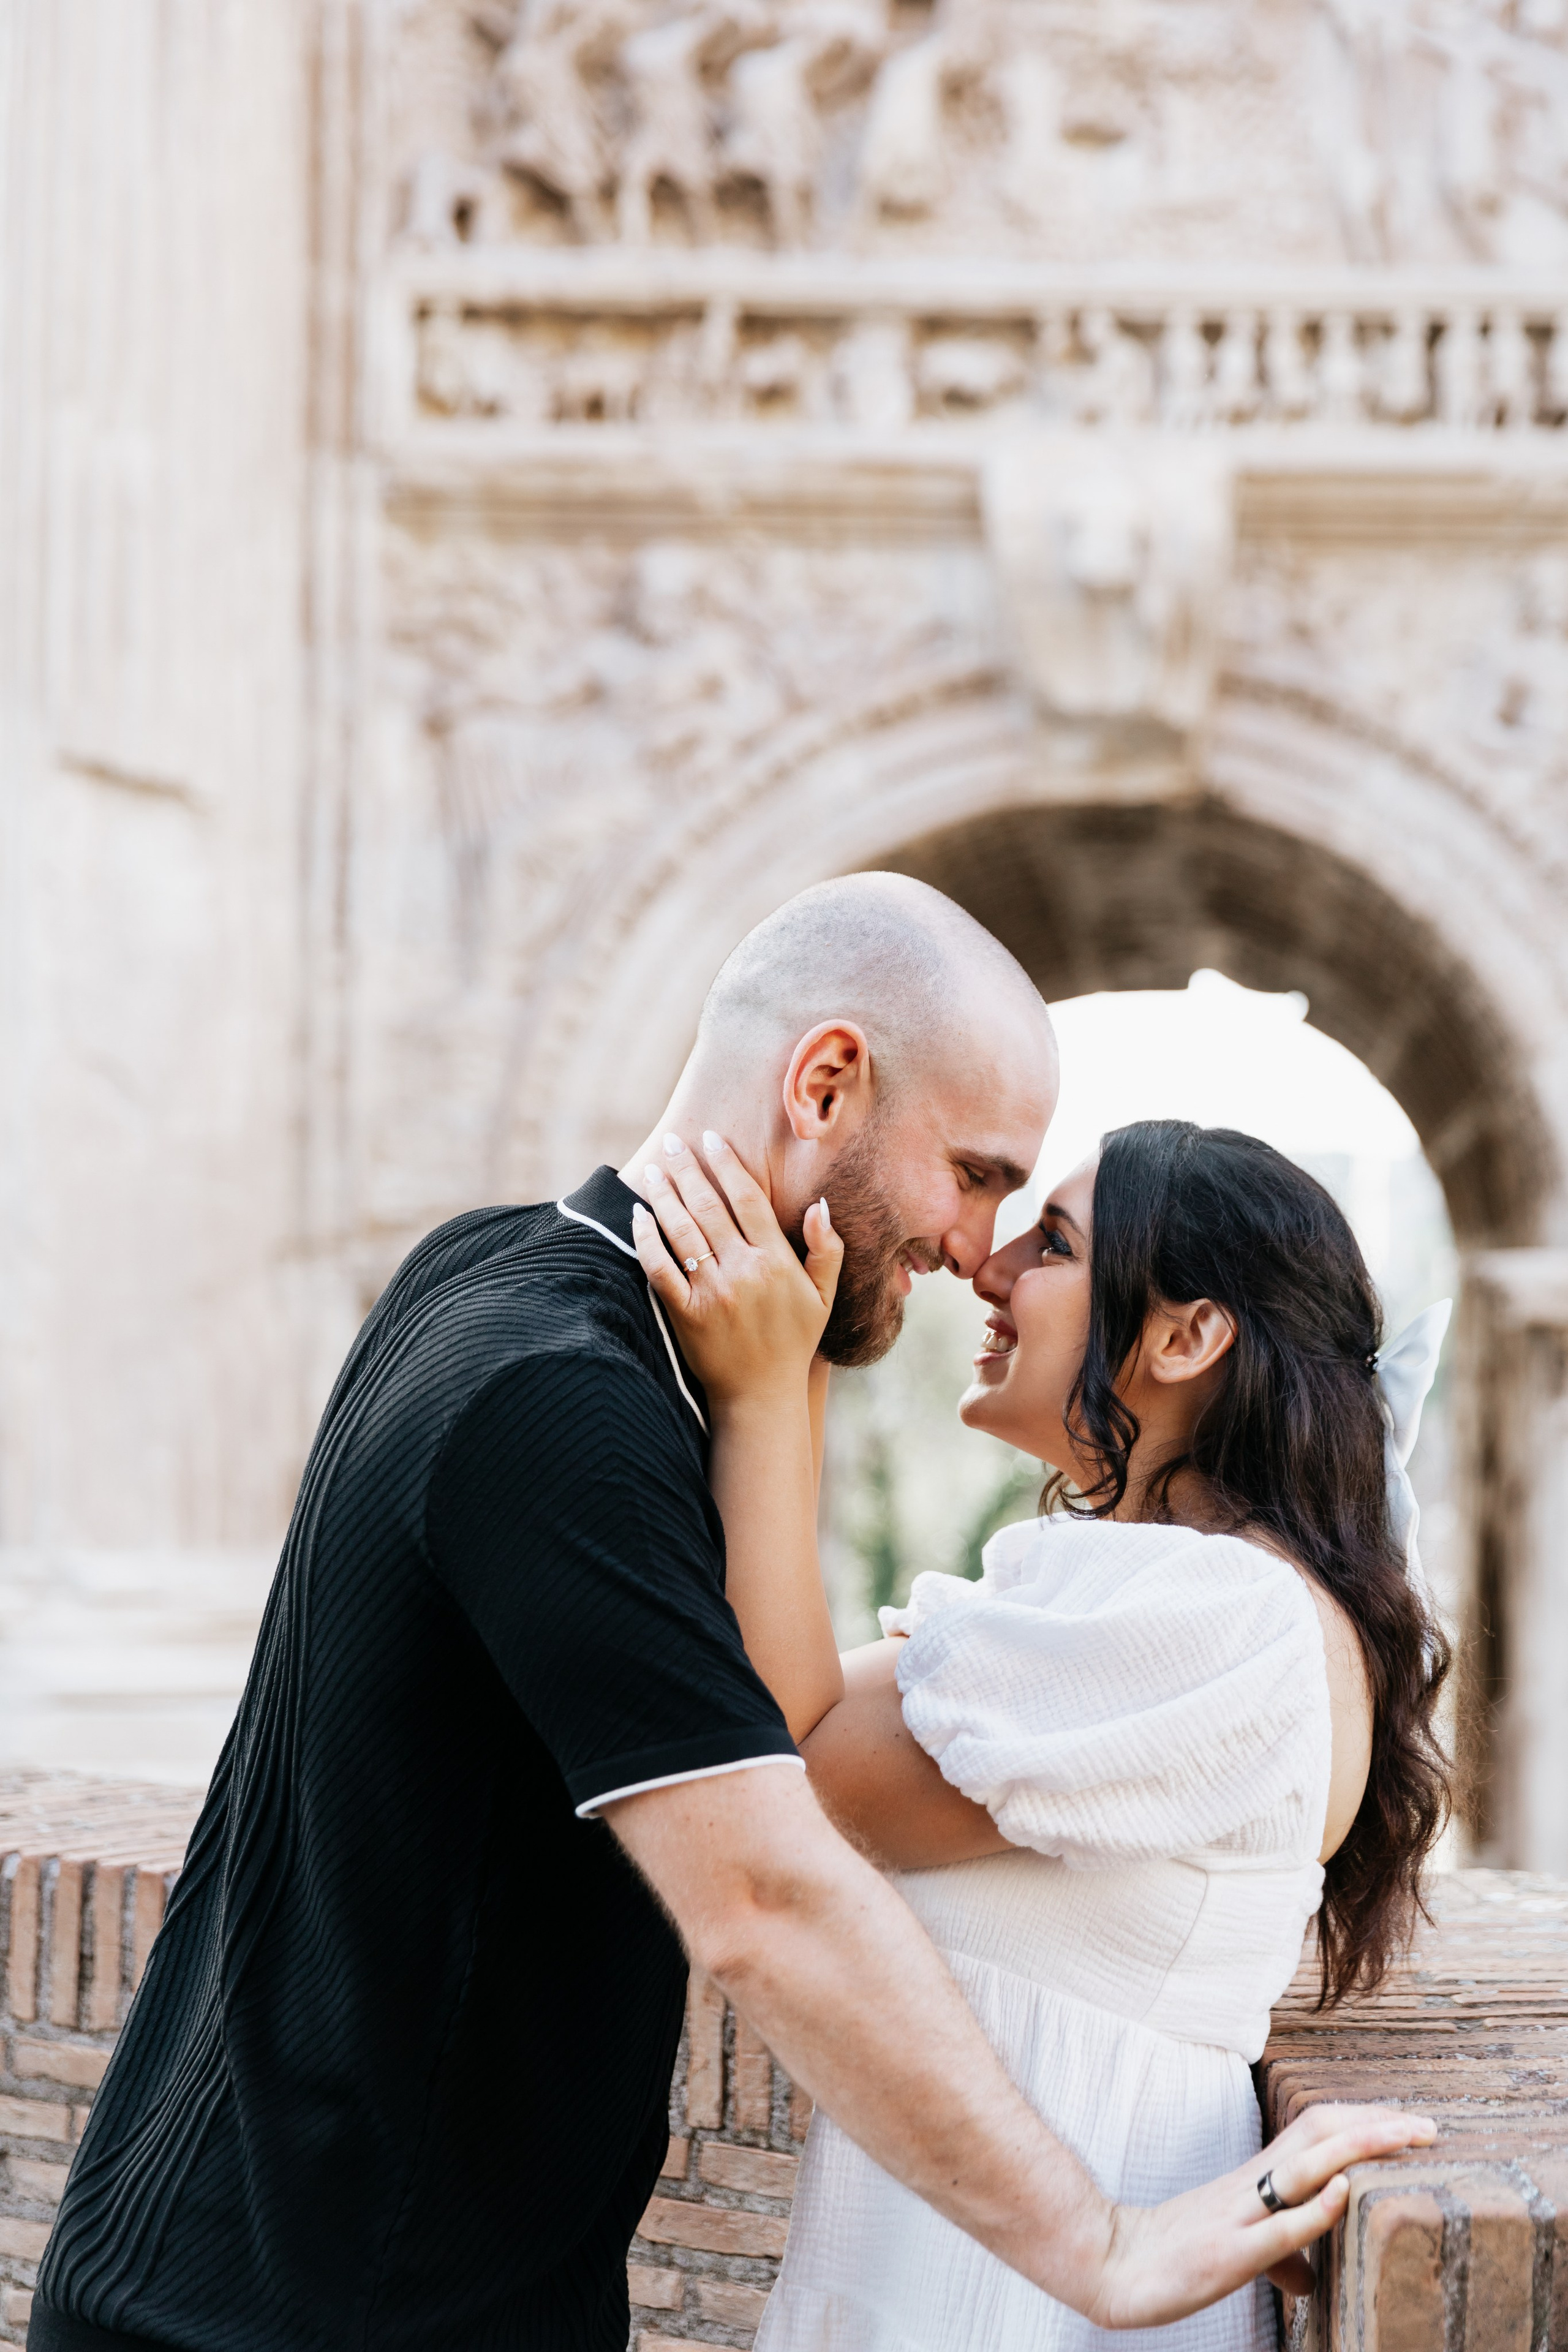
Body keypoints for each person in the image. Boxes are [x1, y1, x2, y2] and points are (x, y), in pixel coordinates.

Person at [31, 878, 1433, 2352]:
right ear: (823, 1083)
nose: (975, 1247)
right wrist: (1100, 2245)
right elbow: (765, 1886)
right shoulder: (559, 1399)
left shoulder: (484, 1268)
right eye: (971, 1174)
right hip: (305, 2314)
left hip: (343, 2278)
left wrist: (784, 1390)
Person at [635, 1113, 1452, 2350]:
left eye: (1055, 1244)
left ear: (1184, 1336)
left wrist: (772, 1381)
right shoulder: (1185, 1597)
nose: (990, 1267)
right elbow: (809, 1713)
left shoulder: (1216, 1619)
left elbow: (785, 1762)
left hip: (1015, 2301)